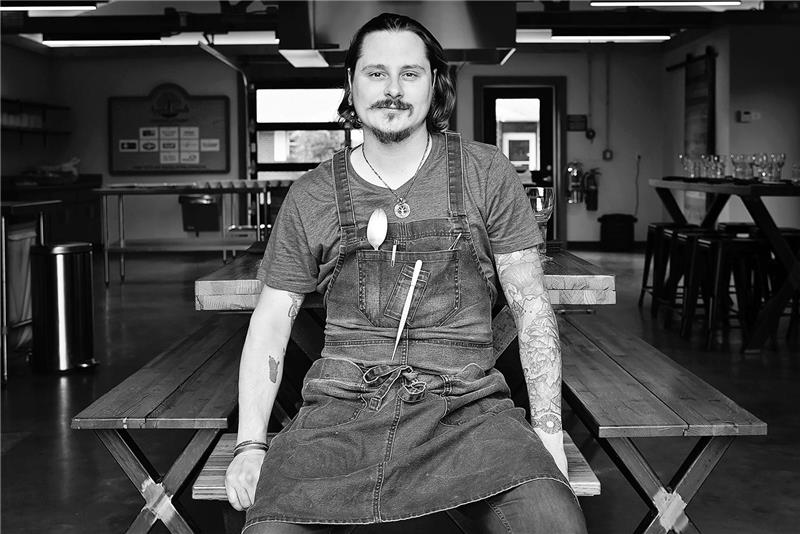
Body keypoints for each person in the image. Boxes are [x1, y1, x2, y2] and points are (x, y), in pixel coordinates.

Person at [225, 12, 587, 534]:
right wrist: (251, 444)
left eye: (410, 74)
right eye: (375, 73)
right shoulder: (311, 195)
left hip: (469, 412)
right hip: (339, 416)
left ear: (435, 85)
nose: (392, 90)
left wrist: (548, 436)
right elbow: (272, 322)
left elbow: (531, 307)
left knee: (553, 527)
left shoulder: (486, 173)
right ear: (350, 83)